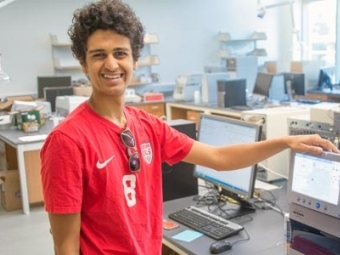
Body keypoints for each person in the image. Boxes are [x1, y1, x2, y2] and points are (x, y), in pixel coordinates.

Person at [40, 1, 339, 255]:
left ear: (134, 59)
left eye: (120, 53)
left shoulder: (147, 126)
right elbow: (65, 245)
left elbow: (220, 158)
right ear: (82, 62)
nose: (111, 64)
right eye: (98, 55)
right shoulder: (67, 141)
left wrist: (286, 142)